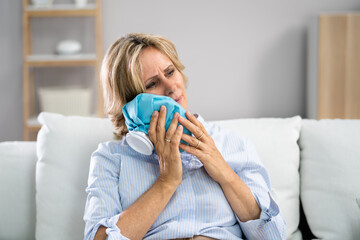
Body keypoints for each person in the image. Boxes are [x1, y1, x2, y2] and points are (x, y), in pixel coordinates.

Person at [83, 33, 286, 240]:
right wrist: (166, 182)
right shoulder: (110, 158)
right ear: (132, 106)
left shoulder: (233, 143)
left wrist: (224, 173)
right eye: (152, 84)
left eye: (170, 72)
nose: (171, 88)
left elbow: (273, 236)